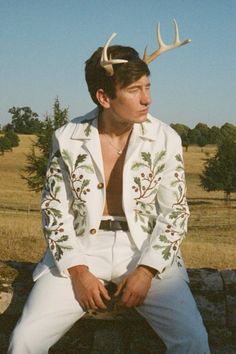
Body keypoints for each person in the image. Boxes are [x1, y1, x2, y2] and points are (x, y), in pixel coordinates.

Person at [8, 21, 211, 354]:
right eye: (134, 90)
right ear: (104, 97)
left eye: (147, 86)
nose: (148, 98)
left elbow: (175, 211)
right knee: (24, 340)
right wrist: (77, 271)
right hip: (81, 250)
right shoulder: (67, 137)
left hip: (145, 250)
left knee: (193, 341)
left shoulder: (165, 138)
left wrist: (147, 270)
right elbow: (53, 207)